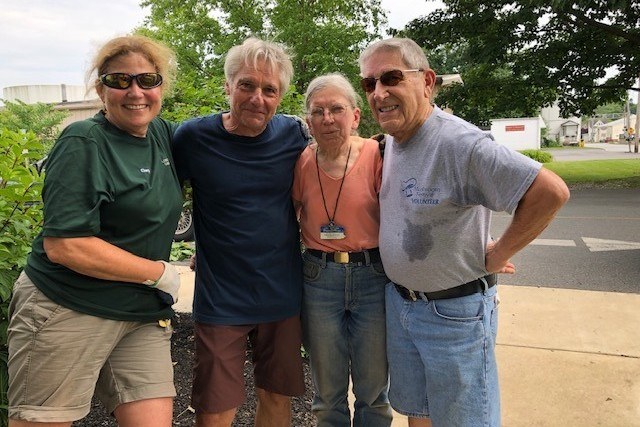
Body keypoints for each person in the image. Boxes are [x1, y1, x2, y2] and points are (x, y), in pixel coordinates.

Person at [358, 38, 570, 427]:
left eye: (390, 78)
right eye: (369, 84)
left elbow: (550, 192)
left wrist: (498, 253)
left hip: (454, 315)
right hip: (402, 305)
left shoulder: (460, 143)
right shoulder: (392, 140)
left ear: (426, 81)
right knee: (418, 413)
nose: (379, 92)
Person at [8, 34, 183, 427]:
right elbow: (66, 245)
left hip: (138, 313)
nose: (135, 92)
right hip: (68, 305)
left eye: (147, 80)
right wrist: (161, 273)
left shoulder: (162, 136)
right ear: (101, 88)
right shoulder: (83, 141)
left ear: (160, 86)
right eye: (120, 81)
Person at [172, 38, 309, 427]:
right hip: (221, 298)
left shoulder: (294, 136)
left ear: (281, 95)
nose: (257, 98)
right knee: (215, 405)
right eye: (247, 85)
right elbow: (160, 199)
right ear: (227, 86)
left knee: (276, 396)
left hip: (281, 293)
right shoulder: (193, 138)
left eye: (270, 90)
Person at [292, 73, 392, 426]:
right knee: (327, 391)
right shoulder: (300, 162)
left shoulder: (379, 155)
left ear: (355, 116)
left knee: (374, 390)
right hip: (319, 277)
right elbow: (282, 220)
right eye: (318, 111)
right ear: (308, 121)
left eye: (337, 109)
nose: (328, 119)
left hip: (373, 275)